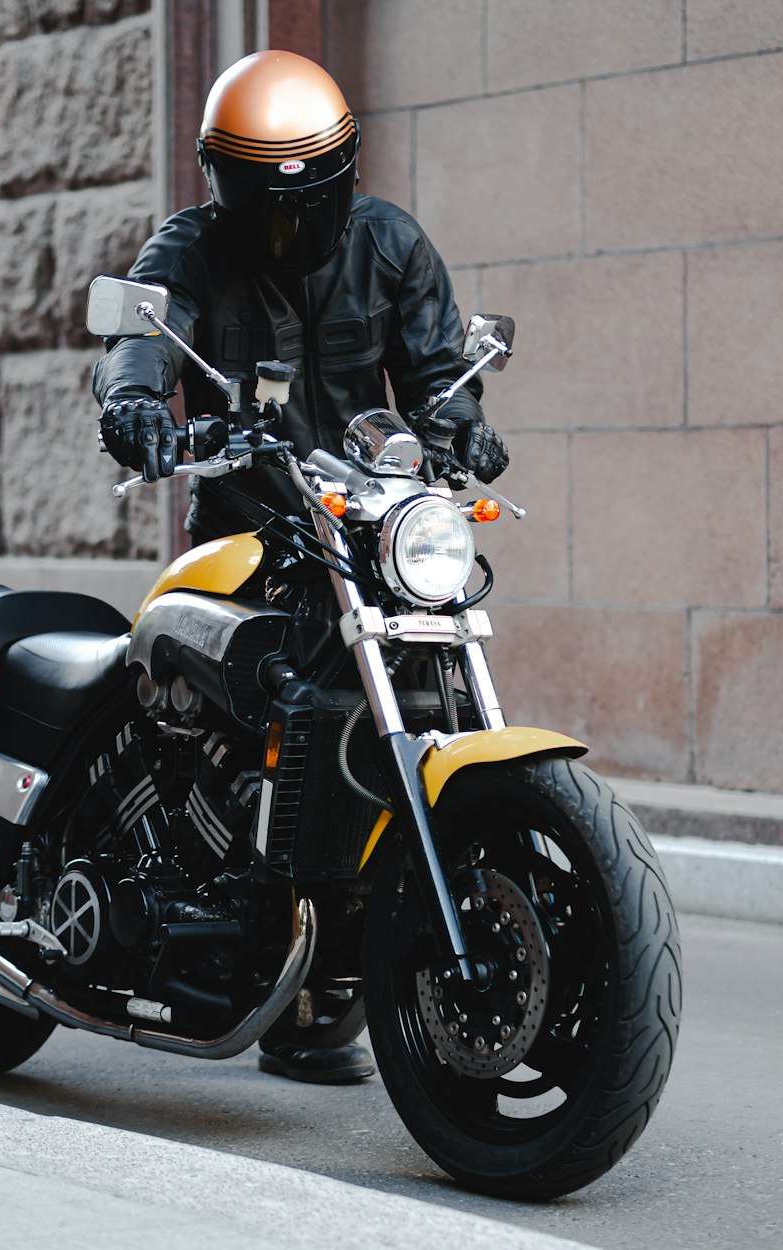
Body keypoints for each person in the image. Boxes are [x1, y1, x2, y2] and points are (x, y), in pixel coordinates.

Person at [93, 50, 509, 1083]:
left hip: (364, 529)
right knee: (233, 717)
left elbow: (430, 367)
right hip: (249, 524)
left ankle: (346, 959)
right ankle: (214, 904)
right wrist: (136, 402)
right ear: (220, 182)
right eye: (259, 202)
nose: (287, 228)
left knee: (414, 699)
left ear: (342, 175)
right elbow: (142, 337)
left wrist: (459, 425)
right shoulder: (186, 251)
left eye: (306, 201)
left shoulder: (390, 245)